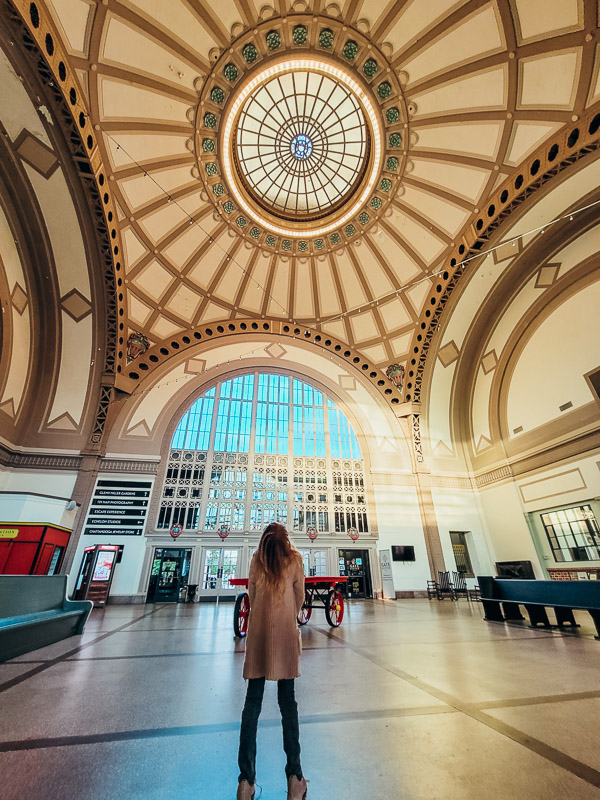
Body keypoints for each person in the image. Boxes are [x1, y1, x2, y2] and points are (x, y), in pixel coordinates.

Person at [237, 523, 308, 800]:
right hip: (285, 640)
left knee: (252, 705)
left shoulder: (257, 559)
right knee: (288, 705)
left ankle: (246, 782)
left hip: (259, 639)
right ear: (285, 541)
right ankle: (294, 779)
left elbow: (251, 596)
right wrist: (286, 613)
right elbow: (299, 597)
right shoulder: (295, 560)